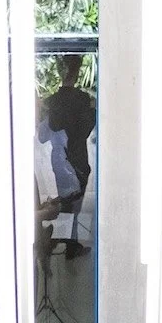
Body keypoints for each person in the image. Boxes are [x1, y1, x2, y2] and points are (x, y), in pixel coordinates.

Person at [45, 55, 94, 257]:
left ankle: (61, 241)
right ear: (76, 72)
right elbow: (84, 130)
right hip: (76, 157)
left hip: (59, 158)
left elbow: (48, 129)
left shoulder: (52, 101)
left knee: (66, 202)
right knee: (73, 204)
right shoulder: (82, 100)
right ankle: (65, 243)